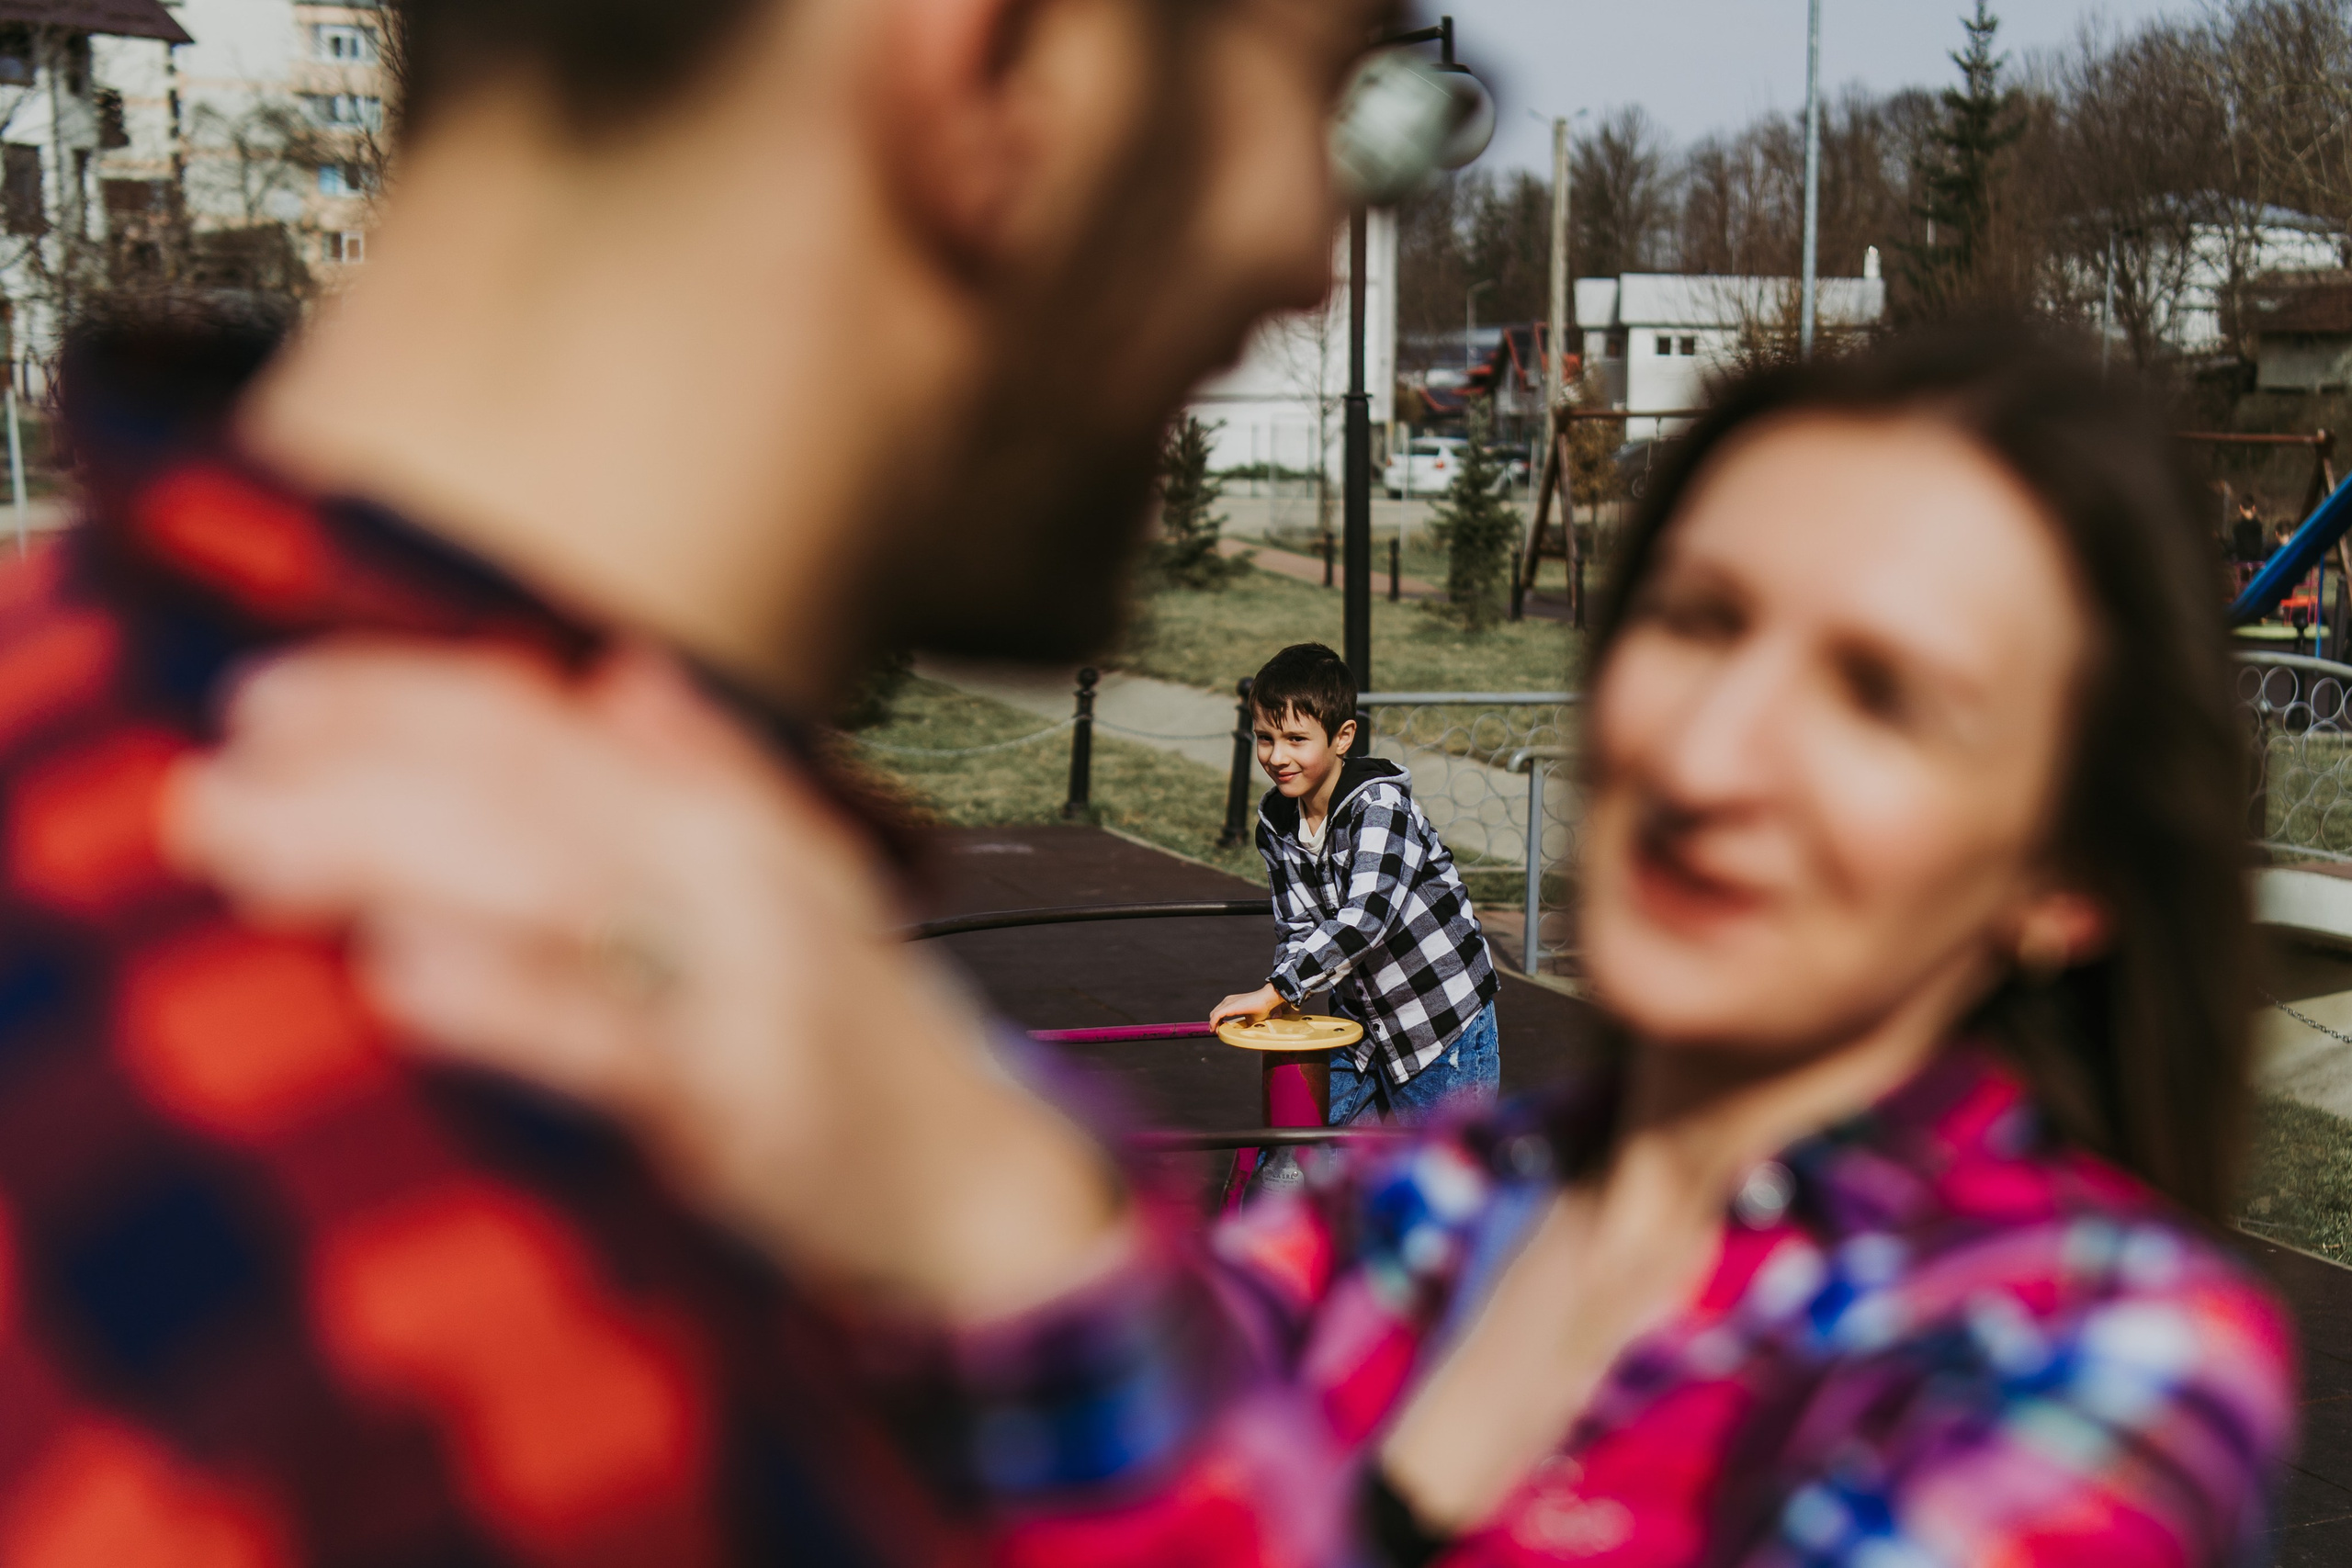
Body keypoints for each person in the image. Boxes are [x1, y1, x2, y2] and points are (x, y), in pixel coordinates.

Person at [167, 325, 2297, 1566]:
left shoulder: (2107, 1348)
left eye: (1880, 694)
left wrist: (989, 1206)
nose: (1716, 745)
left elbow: (1099, 1324)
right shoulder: (1392, 1218)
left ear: (2061, 875)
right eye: (1696, 618)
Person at [0, 0, 1392, 1558]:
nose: (1308, 253)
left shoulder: (65, 688)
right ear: (1001, 68)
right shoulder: (540, 1363)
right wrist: (1057, 1296)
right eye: (1317, 80)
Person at [1210, 641, 1499, 1145]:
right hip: (1361, 1025)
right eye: (1264, 738)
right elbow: (1299, 926)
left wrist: (1276, 990)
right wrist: (1286, 1007)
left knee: (1437, 1188)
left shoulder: (1379, 807)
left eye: (1297, 740)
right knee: (1296, 1163)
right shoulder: (1278, 822)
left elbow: (1366, 918)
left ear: (1343, 737)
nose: (1277, 757)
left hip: (1438, 1025)